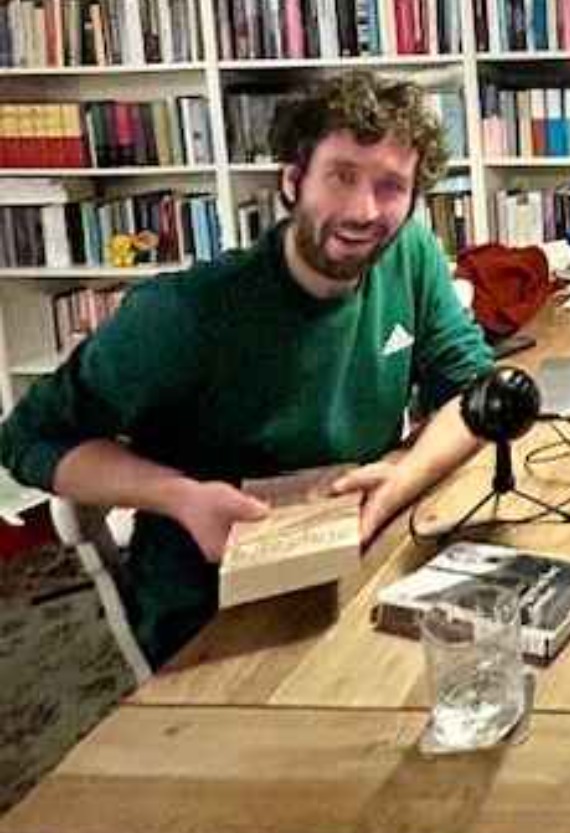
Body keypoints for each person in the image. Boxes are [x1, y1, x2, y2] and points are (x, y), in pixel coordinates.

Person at [0, 73, 494, 666]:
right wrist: (179, 497)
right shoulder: (183, 313)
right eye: (341, 176)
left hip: (361, 559)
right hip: (217, 608)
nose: (364, 211)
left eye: (390, 187)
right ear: (292, 181)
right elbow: (28, 437)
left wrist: (400, 476)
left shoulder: (409, 256)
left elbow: (476, 396)